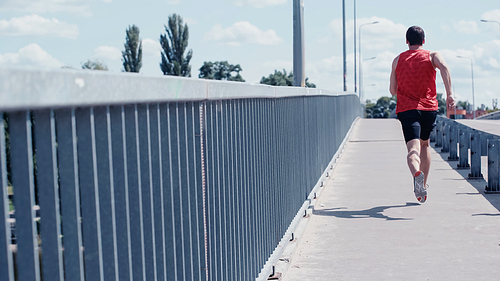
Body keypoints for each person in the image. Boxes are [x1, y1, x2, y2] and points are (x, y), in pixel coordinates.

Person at [389, 25, 455, 203]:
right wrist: (449, 94)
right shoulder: (432, 56)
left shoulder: (397, 60)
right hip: (429, 109)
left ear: (407, 41)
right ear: (424, 41)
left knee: (413, 150)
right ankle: (422, 185)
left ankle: (416, 175)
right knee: (425, 145)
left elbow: (393, 90)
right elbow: (445, 68)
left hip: (407, 109)